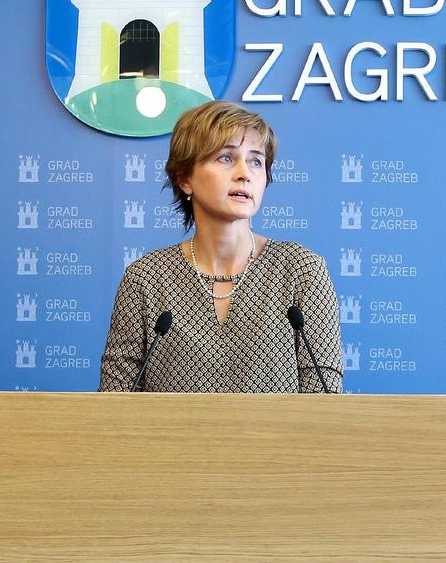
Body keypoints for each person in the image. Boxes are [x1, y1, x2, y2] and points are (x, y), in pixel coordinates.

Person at [98, 100, 343, 393]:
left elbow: (324, 399)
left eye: (256, 161)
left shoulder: (302, 270)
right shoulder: (145, 279)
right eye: (226, 158)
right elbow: (115, 401)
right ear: (185, 179)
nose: (244, 173)